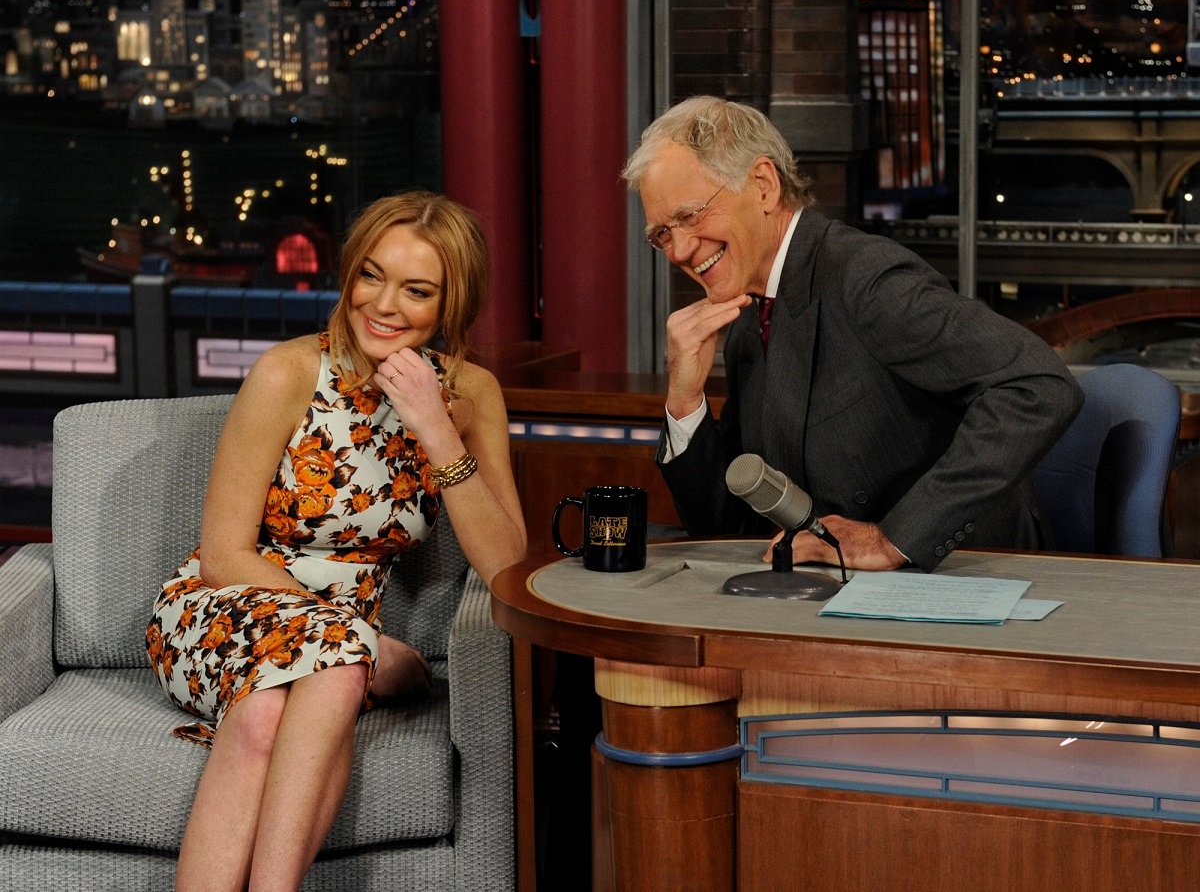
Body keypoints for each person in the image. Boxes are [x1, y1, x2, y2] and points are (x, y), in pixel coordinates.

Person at [145, 191, 527, 891]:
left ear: (449, 307)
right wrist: (363, 640)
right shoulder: (287, 373)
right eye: (370, 275)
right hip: (225, 604)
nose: (383, 304)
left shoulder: (472, 394)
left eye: (416, 291)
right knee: (342, 666)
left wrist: (436, 429)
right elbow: (226, 549)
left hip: (330, 646)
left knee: (265, 714)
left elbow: (507, 566)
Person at [622, 95, 1083, 573]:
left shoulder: (865, 277)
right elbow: (727, 526)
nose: (679, 249)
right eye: (661, 235)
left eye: (691, 215)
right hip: (833, 594)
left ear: (762, 185)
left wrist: (894, 539)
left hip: (959, 574)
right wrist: (685, 402)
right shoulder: (746, 315)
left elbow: (1039, 384)